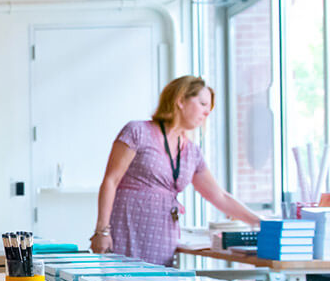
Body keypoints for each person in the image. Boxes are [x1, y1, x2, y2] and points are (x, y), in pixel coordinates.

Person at [91, 75, 260, 266]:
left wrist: (259, 222)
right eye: (203, 104)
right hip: (127, 229)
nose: (206, 112)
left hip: (162, 236)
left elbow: (219, 196)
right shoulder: (137, 131)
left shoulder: (192, 152)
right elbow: (110, 181)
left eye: (209, 108)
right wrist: (102, 231)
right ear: (180, 100)